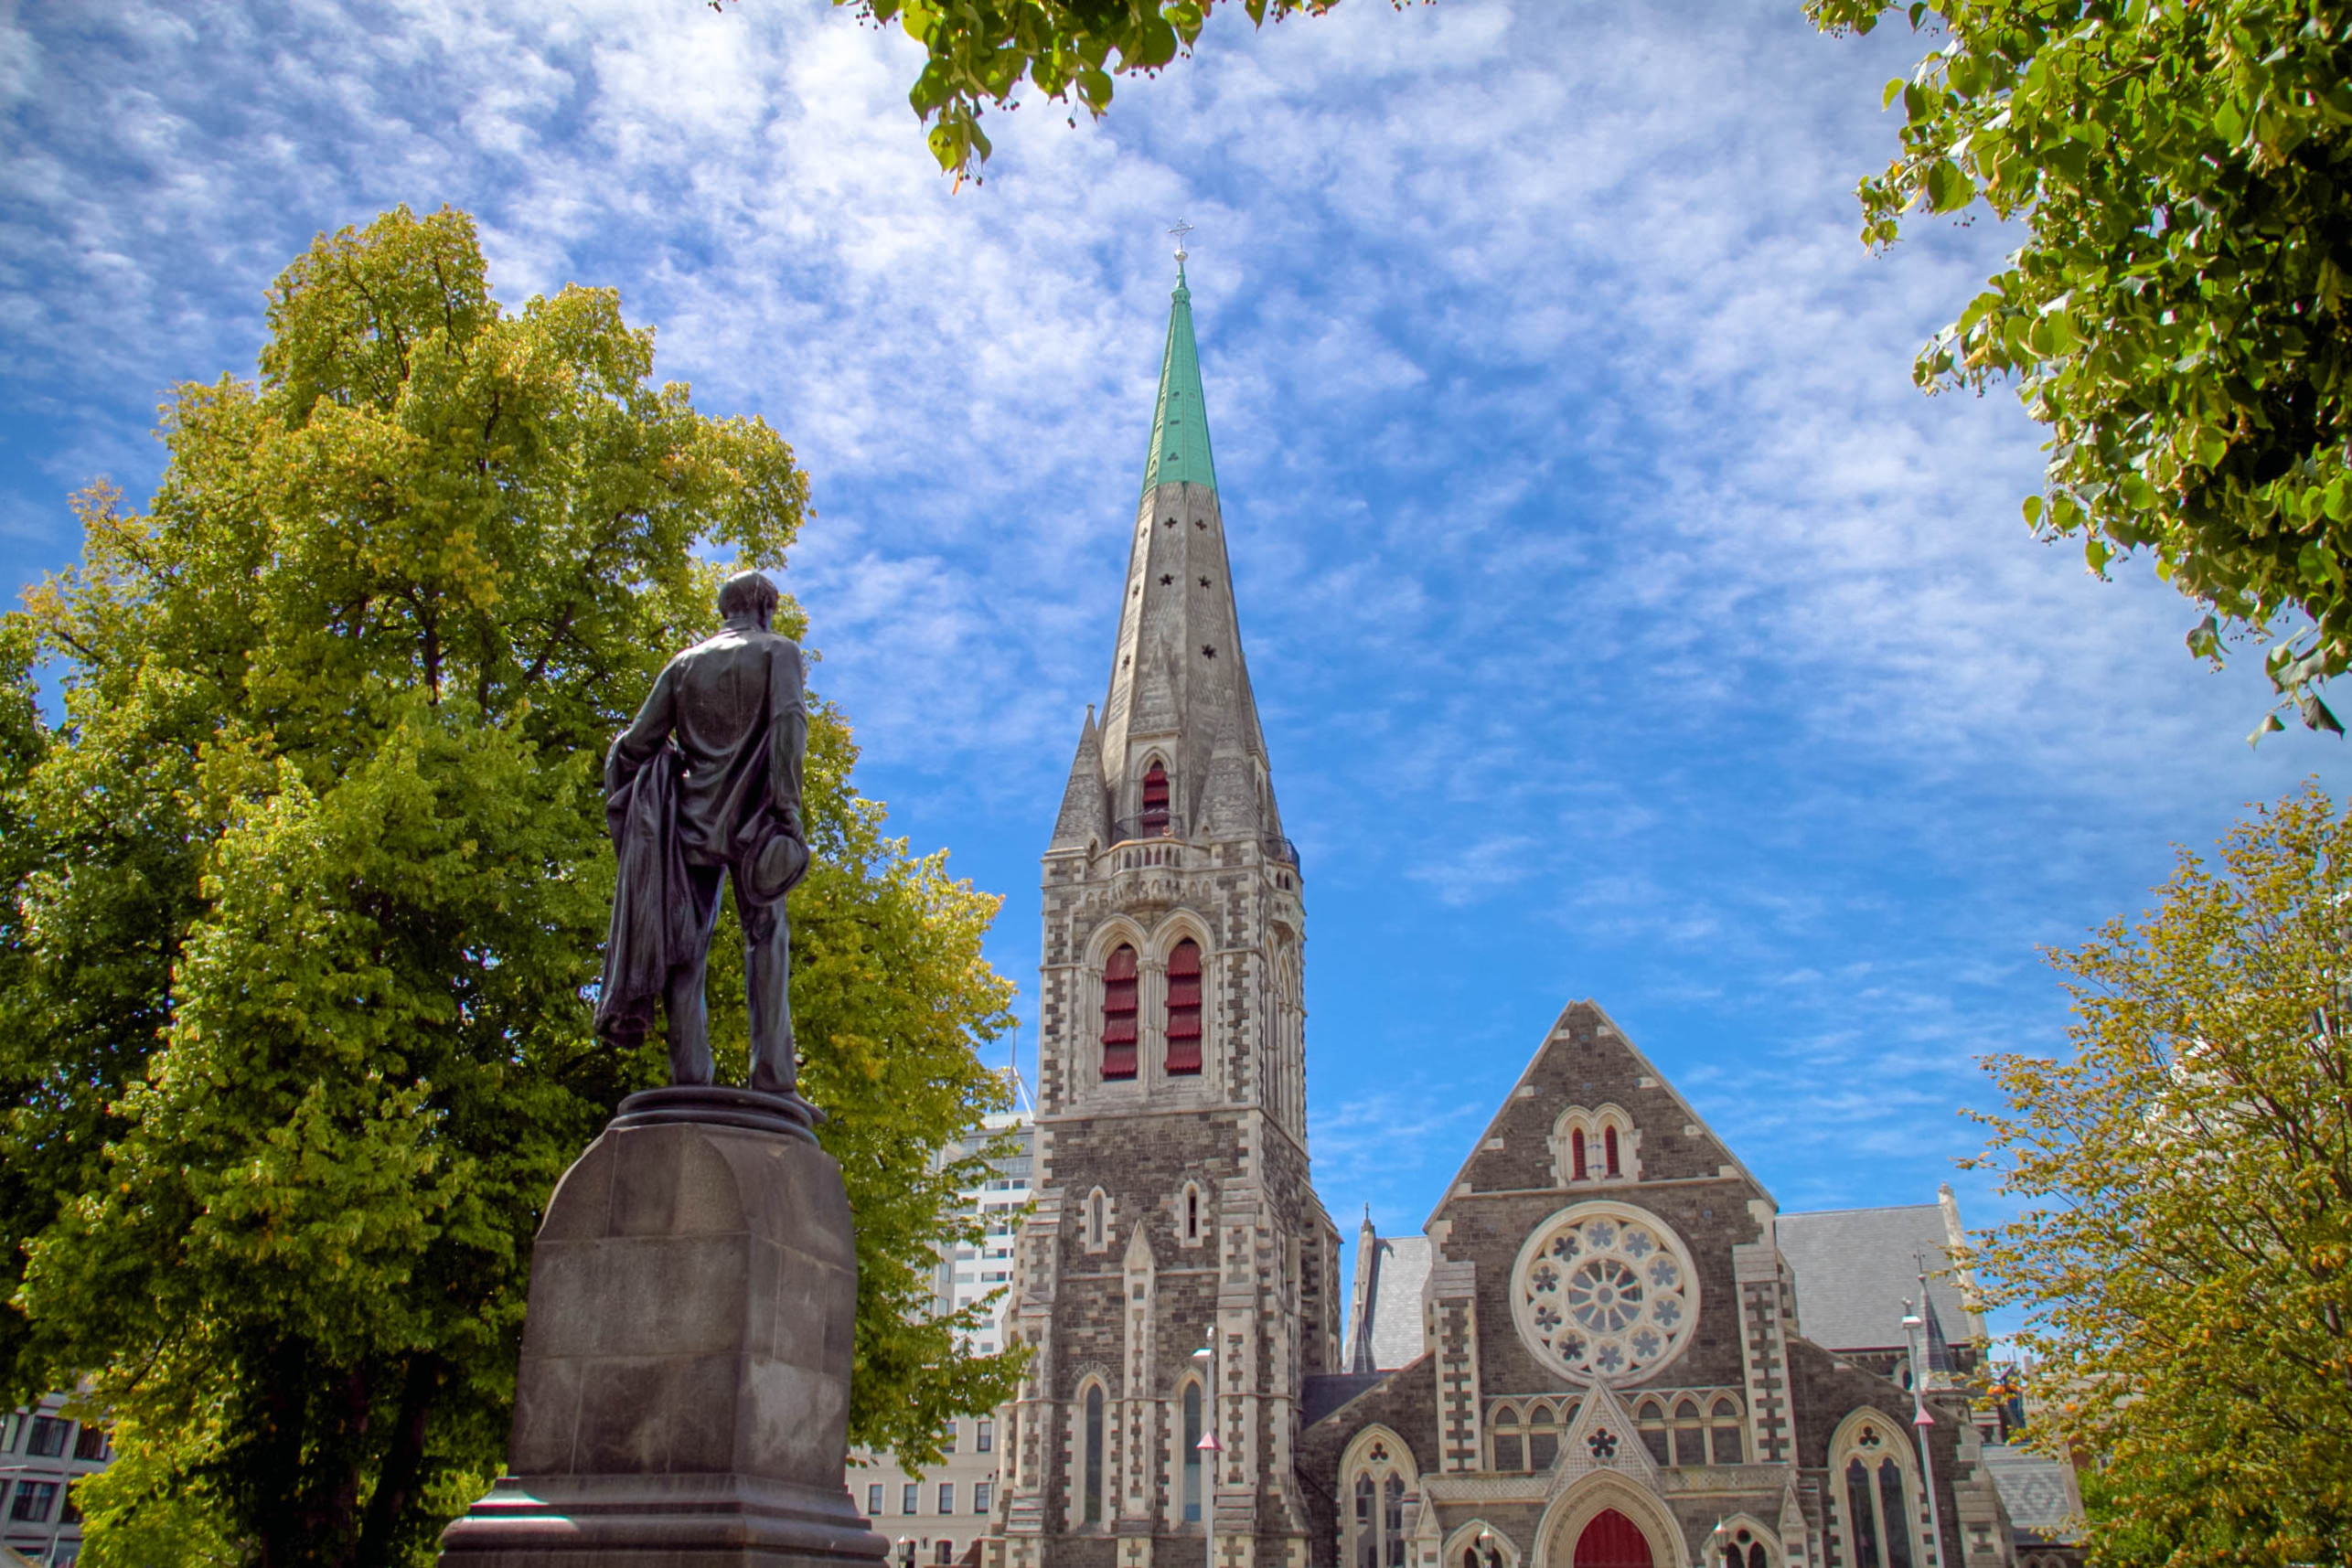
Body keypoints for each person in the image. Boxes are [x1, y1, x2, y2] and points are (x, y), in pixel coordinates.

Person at [597, 569, 810, 1094]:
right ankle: (774, 1079)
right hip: (756, 822)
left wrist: (626, 800)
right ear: (764, 608)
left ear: (726, 610)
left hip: (689, 821)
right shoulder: (778, 652)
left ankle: (689, 1075)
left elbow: (636, 743)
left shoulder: (683, 664)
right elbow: (788, 724)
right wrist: (789, 810)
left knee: (687, 946)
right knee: (766, 939)